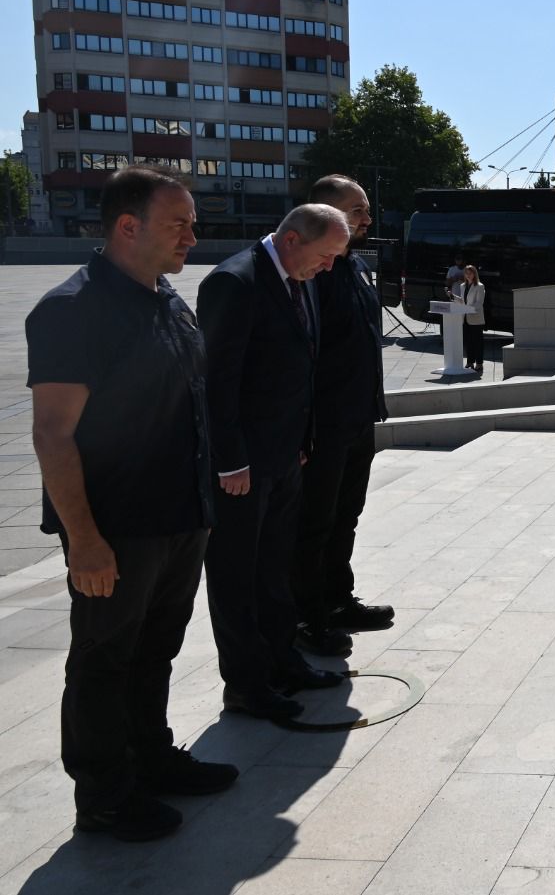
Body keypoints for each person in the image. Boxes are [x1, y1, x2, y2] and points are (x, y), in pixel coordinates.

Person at [27, 165, 237, 842]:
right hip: (116, 529)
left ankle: (150, 758)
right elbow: (53, 432)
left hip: (179, 517)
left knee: (156, 651)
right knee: (104, 658)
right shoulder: (73, 310)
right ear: (128, 227)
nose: (193, 235)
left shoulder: (167, 299)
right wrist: (84, 540)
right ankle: (105, 794)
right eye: (179, 223)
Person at [200, 203, 350, 721]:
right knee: (237, 575)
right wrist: (229, 462)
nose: (329, 266)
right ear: (292, 240)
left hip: (286, 455)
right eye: (326, 255)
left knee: (274, 571)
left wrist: (303, 440)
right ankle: (245, 684)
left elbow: (299, 367)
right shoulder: (235, 283)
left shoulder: (299, 278)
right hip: (242, 468)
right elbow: (216, 382)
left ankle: (282, 661)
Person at [292, 176, 394, 661]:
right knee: (315, 522)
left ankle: (337, 599)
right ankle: (308, 616)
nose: (366, 220)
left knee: (345, 517)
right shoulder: (313, 272)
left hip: (358, 418)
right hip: (325, 425)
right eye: (357, 211)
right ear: (323, 211)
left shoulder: (352, 267)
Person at [457, 264, 487, 373]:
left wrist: (467, 309)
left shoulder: (480, 286)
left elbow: (479, 303)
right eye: (466, 273)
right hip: (465, 318)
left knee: (477, 342)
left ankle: (479, 364)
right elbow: (462, 301)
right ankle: (470, 362)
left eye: (470, 273)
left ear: (474, 274)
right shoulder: (462, 286)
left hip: (476, 319)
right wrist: (453, 297)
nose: (468, 275)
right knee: (468, 341)